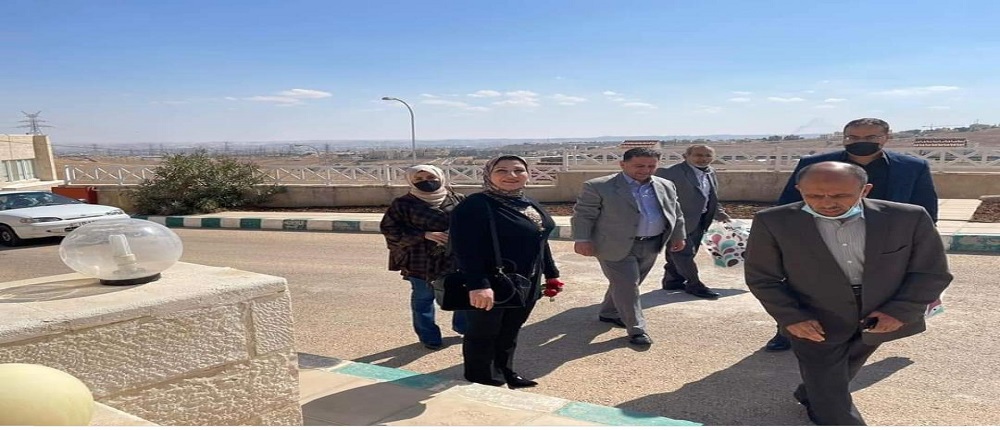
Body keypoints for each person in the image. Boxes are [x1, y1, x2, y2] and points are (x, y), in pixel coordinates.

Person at [745, 161, 952, 425]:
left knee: (843, 367)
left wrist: (899, 312)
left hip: (880, 312)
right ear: (799, 190)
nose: (827, 203)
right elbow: (763, 277)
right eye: (814, 195)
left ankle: (811, 393)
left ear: (865, 190)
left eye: (840, 195)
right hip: (814, 314)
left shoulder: (908, 218)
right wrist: (791, 316)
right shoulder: (773, 222)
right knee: (829, 385)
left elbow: (931, 272)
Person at [764, 117, 940, 352]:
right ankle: (787, 332)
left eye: (870, 137)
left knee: (875, 289)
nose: (861, 141)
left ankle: (867, 334)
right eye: (853, 137)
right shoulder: (815, 164)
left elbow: (925, 207)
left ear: (887, 137)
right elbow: (788, 204)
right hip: (822, 235)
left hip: (884, 241)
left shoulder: (911, 167)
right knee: (806, 287)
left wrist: (922, 242)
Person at [449, 155, 562, 388]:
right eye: (502, 170)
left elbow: (540, 241)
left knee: (510, 330)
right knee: (484, 332)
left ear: (527, 174)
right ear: (489, 175)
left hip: (527, 280)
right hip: (492, 281)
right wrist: (478, 285)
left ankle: (505, 371)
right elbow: (465, 249)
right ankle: (480, 378)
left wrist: (551, 273)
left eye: (518, 170)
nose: (511, 175)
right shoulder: (475, 205)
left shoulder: (527, 202)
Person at [571, 147, 686, 346]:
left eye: (651, 166)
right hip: (613, 244)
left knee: (626, 284)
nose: (645, 170)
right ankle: (637, 329)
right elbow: (583, 215)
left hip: (652, 243)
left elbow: (676, 212)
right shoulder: (599, 186)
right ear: (623, 164)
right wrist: (582, 239)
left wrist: (678, 236)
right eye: (639, 166)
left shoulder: (666, 185)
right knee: (629, 285)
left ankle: (609, 312)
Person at [380, 165, 467, 350]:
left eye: (430, 177)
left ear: (440, 177)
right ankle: (429, 336)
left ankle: (463, 327)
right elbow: (390, 230)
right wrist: (424, 235)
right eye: (419, 179)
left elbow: (472, 224)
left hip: (454, 257)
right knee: (423, 299)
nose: (426, 181)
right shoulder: (403, 204)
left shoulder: (458, 199)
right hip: (420, 259)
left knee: (461, 293)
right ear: (411, 181)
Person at [654, 144, 731, 299]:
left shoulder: (710, 172)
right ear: (686, 156)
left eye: (708, 155)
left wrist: (719, 213)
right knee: (684, 254)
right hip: (677, 221)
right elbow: (657, 197)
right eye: (698, 155)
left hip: (701, 219)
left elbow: (710, 196)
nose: (703, 159)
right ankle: (695, 285)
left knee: (679, 252)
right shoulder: (669, 172)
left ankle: (672, 281)